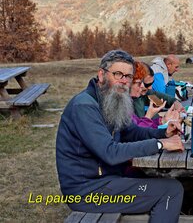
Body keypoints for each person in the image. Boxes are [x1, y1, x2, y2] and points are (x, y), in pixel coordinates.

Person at [56, 50, 184, 223]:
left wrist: (163, 132)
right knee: (171, 190)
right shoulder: (84, 106)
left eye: (128, 76)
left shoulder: (111, 100)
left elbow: (132, 132)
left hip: (107, 179)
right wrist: (161, 144)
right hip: (86, 191)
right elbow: (110, 152)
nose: (124, 81)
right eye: (118, 74)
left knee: (164, 180)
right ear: (101, 75)